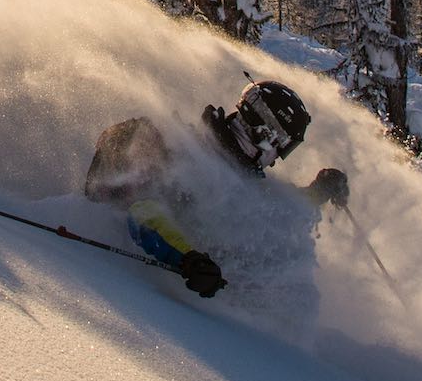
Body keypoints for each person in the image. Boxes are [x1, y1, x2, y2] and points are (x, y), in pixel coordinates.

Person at [83, 81, 347, 297]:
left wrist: (319, 191)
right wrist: (187, 257)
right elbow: (143, 212)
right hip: (130, 285)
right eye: (283, 145)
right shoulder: (189, 158)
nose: (277, 156)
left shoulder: (235, 175)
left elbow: (277, 207)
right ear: (266, 133)